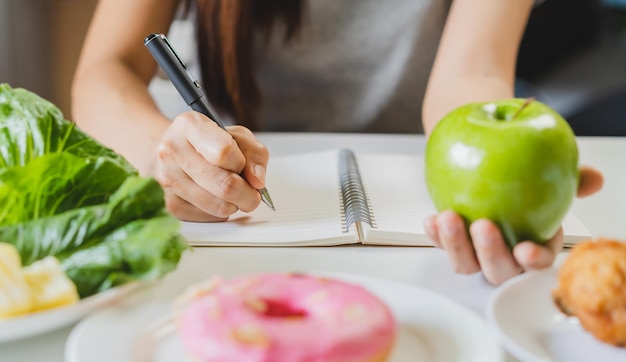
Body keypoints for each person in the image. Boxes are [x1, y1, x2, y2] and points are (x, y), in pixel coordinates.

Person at [71, 0, 603, 285]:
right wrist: (159, 150)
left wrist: (512, 179)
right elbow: (104, 69)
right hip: (219, 240)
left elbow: (473, 73)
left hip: (405, 222)